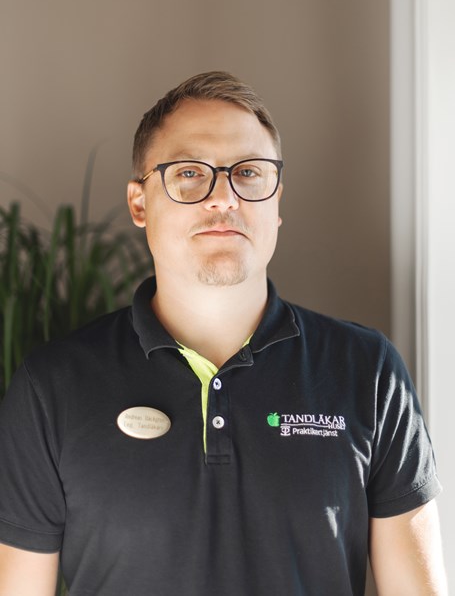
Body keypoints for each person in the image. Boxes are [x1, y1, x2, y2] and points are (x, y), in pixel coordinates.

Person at [0, 71, 448, 595]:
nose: (224, 198)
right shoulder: (52, 386)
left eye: (249, 173)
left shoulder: (367, 372)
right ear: (139, 203)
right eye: (190, 172)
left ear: (277, 203)